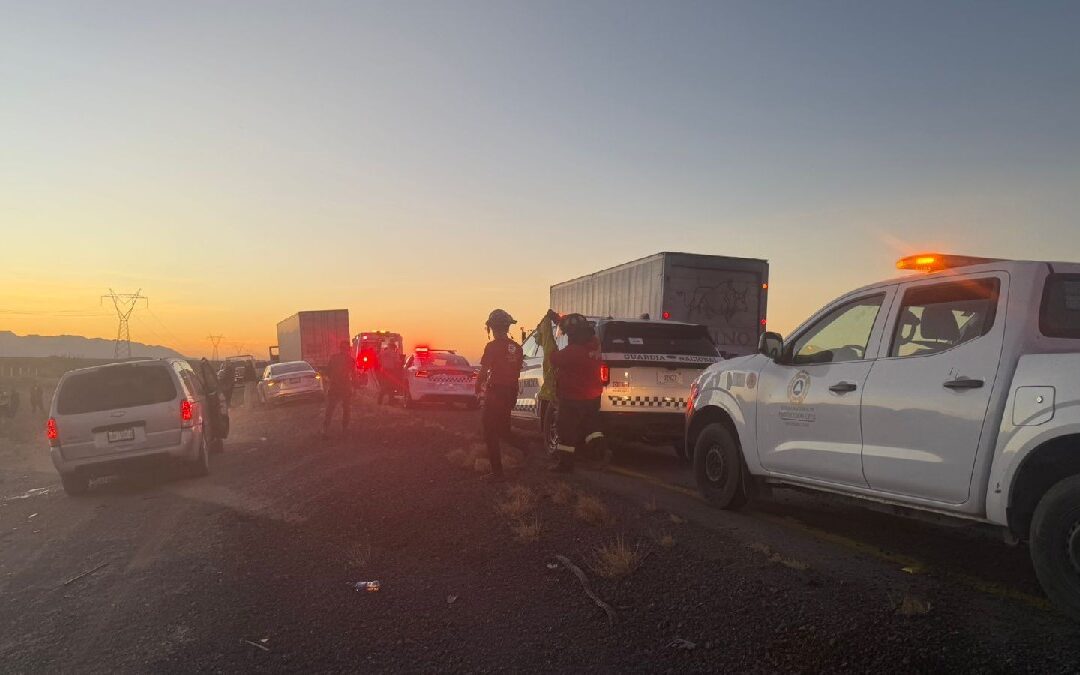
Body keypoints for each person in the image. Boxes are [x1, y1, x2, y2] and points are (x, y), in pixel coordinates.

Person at [545, 311, 607, 473]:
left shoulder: (573, 352)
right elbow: (576, 328)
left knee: (566, 430)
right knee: (591, 429)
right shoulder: (593, 344)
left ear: (573, 334)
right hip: (592, 397)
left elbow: (554, 358)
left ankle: (565, 465)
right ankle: (601, 454)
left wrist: (549, 344)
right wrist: (559, 321)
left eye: (567, 333)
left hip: (573, 398)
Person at [475, 309, 524, 480]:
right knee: (503, 430)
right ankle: (527, 449)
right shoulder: (517, 348)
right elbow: (517, 370)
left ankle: (497, 473)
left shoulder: (492, 346)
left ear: (492, 328)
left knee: (489, 430)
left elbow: (483, 371)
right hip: (511, 392)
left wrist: (477, 386)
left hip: (496, 392)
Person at [323, 340, 354, 438]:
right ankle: (344, 429)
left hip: (335, 387)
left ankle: (325, 429)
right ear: (348, 349)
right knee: (346, 409)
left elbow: (327, 372)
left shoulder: (334, 358)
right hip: (344, 387)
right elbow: (353, 375)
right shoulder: (350, 360)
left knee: (330, 409)